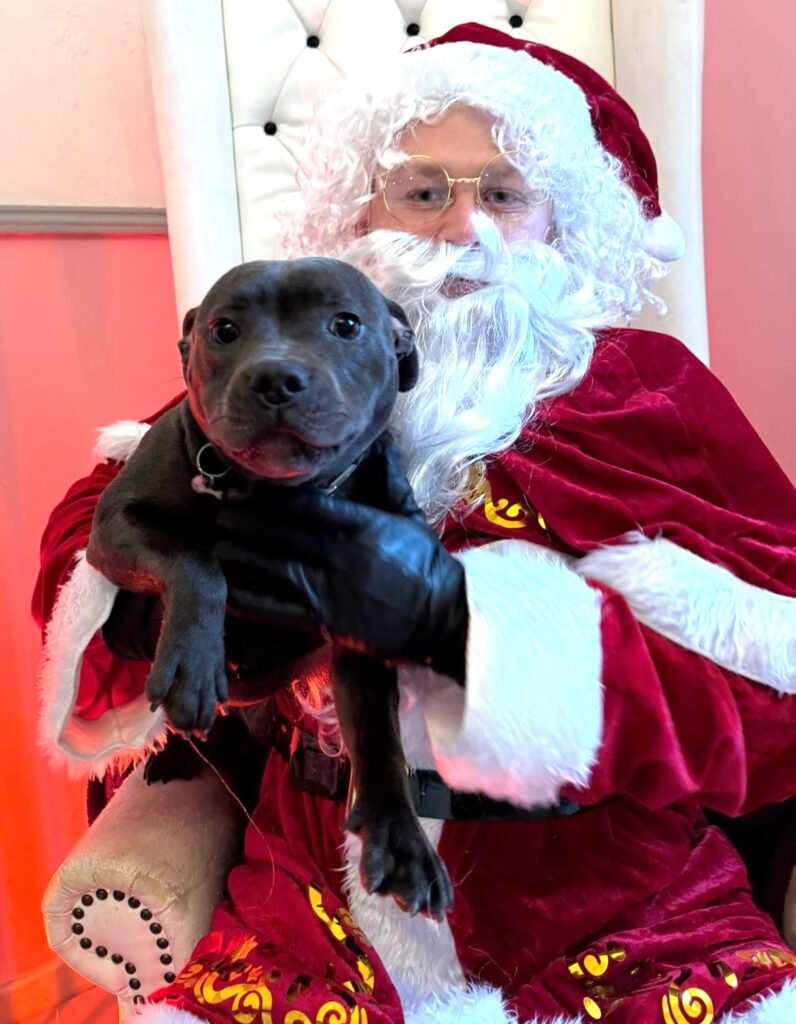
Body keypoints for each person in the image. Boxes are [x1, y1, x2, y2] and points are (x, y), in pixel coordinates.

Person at [34, 22, 796, 1024]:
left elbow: (769, 681)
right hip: (312, 921)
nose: (461, 229)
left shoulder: (647, 397)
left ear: (561, 223)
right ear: (360, 211)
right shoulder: (292, 375)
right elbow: (95, 527)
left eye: (504, 194)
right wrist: (197, 593)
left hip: (615, 921)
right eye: (423, 190)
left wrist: (457, 624)